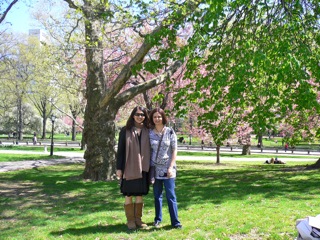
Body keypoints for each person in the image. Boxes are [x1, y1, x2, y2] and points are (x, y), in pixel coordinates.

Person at [116, 106, 151, 230]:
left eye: (142, 115)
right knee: (128, 194)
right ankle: (130, 220)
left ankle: (138, 219)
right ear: (133, 115)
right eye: (137, 114)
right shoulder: (125, 131)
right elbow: (120, 151)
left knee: (140, 194)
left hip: (143, 168)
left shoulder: (148, 130)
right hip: (128, 167)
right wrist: (119, 168)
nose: (140, 116)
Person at [149, 107, 182, 229]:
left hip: (168, 169)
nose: (157, 119)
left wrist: (171, 166)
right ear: (152, 119)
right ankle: (158, 219)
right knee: (157, 196)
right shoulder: (150, 133)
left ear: (163, 117)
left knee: (171, 195)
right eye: (154, 117)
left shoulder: (170, 131)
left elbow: (174, 150)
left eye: (159, 116)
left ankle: (175, 221)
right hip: (155, 169)